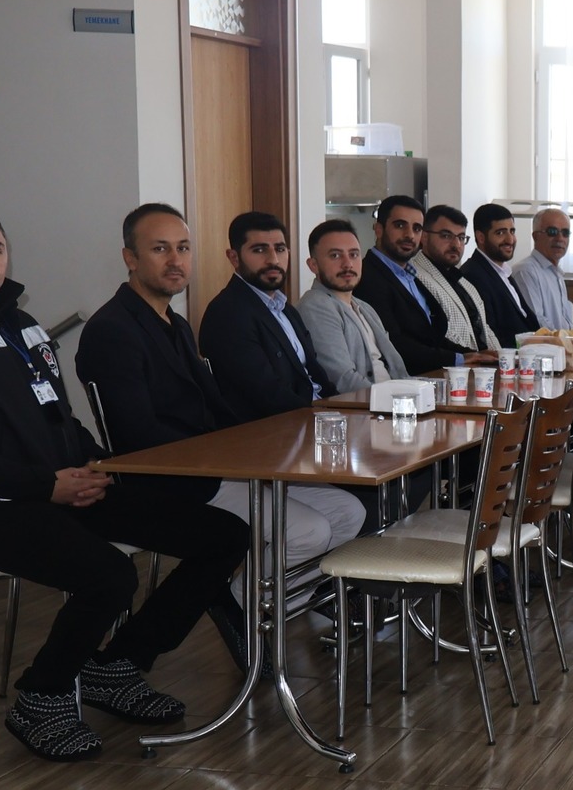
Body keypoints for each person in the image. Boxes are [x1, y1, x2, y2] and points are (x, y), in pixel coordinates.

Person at [0, 204, 248, 760]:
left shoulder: (21, 325)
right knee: (109, 575)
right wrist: (45, 485)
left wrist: (93, 466)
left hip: (63, 491)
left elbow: (58, 418)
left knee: (223, 535)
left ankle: (117, 665)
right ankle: (41, 697)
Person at [82, 204, 368, 585]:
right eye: (160, 248)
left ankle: (282, 608)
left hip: (219, 465)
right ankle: (243, 608)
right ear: (130, 258)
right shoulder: (112, 329)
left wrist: (248, 450)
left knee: (349, 512)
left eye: (183, 248)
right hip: (175, 477)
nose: (175, 260)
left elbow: (215, 405)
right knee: (309, 531)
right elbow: (136, 433)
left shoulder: (175, 323)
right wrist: (223, 457)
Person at [198, 212, 335, 421]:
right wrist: (322, 419)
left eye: (279, 249)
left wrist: (343, 411)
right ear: (234, 257)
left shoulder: (287, 310)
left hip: (312, 419)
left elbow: (316, 375)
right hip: (274, 430)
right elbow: (266, 395)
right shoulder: (227, 314)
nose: (273, 260)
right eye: (259, 250)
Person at [354, 195, 478, 372]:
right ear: (379, 229)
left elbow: (431, 337)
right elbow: (393, 343)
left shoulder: (410, 275)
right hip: (401, 381)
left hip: (432, 377)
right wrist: (458, 359)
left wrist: (472, 355)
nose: (409, 235)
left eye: (417, 228)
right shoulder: (367, 276)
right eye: (400, 225)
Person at [297, 218, 409, 394]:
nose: (347, 264)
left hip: (394, 399)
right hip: (367, 406)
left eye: (354, 254)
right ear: (314, 265)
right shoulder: (315, 305)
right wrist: (394, 400)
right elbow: (342, 379)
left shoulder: (365, 308)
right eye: (335, 255)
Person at [411, 204, 497, 355]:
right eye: (446, 236)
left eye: (461, 237)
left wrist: (502, 359)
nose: (456, 245)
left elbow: (484, 328)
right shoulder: (415, 277)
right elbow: (441, 334)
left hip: (481, 365)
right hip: (454, 364)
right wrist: (475, 358)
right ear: (424, 236)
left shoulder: (463, 281)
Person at [464, 202, 540, 346]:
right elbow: (489, 336)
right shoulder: (472, 275)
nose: (510, 240)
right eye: (500, 233)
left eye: (512, 231)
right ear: (481, 237)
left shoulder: (504, 272)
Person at [512, 205, 573, 332]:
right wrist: (566, 340)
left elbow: (566, 323)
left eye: (565, 233)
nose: (560, 238)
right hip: (545, 345)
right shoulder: (525, 271)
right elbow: (537, 323)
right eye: (552, 232)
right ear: (536, 236)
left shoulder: (556, 273)